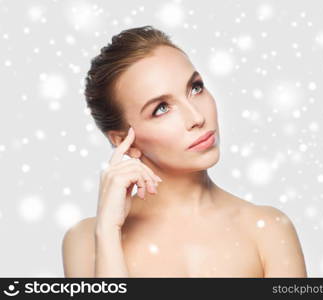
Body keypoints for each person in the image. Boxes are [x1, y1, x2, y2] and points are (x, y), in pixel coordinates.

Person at [61, 25, 307, 278]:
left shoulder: (268, 229)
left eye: (196, 88)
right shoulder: (86, 241)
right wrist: (108, 233)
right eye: (161, 108)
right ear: (125, 141)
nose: (197, 117)